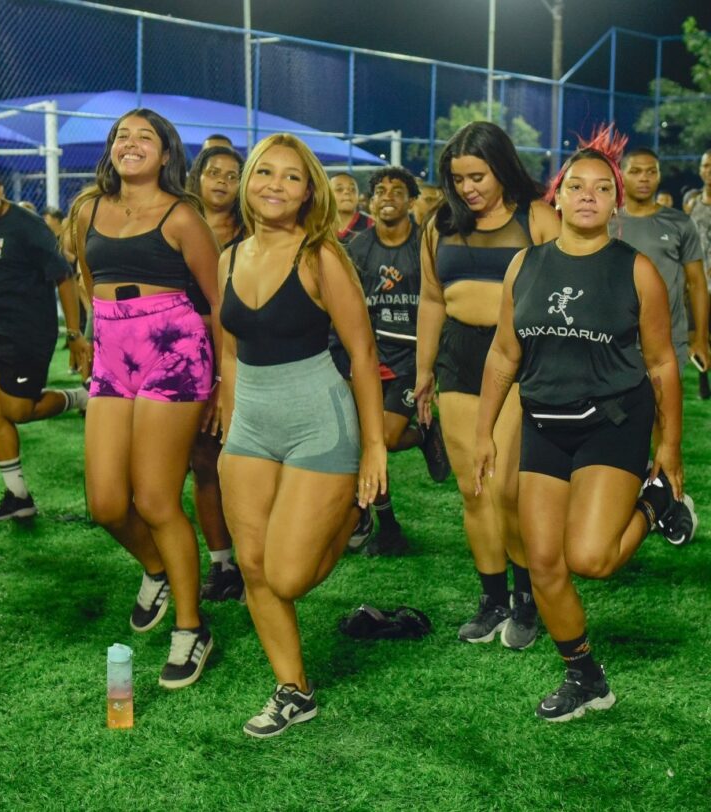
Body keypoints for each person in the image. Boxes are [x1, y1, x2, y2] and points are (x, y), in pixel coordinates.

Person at [473, 134, 682, 721]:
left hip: (613, 421)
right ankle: (585, 677)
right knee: (543, 564)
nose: (588, 196)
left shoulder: (636, 271)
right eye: (576, 186)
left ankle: (655, 502)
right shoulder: (526, 264)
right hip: (545, 421)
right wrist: (485, 430)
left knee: (591, 559)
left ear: (616, 203)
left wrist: (669, 449)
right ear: (556, 197)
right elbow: (502, 354)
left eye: (602, 188)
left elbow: (663, 363)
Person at [218, 133, 387, 737]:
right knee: (254, 569)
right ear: (248, 180)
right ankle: (294, 690)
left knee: (288, 575)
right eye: (266, 172)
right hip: (251, 426)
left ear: (309, 190)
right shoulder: (229, 258)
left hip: (319, 417)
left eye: (292, 177)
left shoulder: (322, 256)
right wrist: (234, 424)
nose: (275, 186)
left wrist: (373, 448)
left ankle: (353, 514)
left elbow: (363, 354)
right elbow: (231, 356)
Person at [72, 109, 221, 689]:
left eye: (145, 138)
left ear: (166, 154)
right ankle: (156, 568)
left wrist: (222, 384)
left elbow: (216, 304)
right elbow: (88, 281)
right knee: (107, 503)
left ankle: (191, 627)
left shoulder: (183, 216)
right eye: (122, 137)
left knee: (157, 499)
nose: (131, 145)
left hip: (175, 347)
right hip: (114, 350)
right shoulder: (88, 210)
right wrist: (95, 330)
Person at [415, 121, 560, 649]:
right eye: (458, 179)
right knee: (472, 487)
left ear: (502, 167)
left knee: (506, 487)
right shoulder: (439, 224)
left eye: (477, 175)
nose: (468, 187)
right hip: (458, 355)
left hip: (518, 359)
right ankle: (492, 599)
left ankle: (526, 598)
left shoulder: (537, 218)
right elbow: (432, 300)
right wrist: (423, 369)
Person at [0, 170, 89, 521]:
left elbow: (64, 278)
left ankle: (81, 397)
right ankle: (18, 496)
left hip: (26, 332)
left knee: (17, 411)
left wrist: (74, 334)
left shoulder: (28, 227)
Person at [333, 166, 451, 557]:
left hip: (408, 358)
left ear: (411, 201)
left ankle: (423, 435)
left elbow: (440, 304)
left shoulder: (426, 245)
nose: (388, 197)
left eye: (398, 191)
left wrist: (430, 363)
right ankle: (383, 524)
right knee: (358, 442)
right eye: (380, 190)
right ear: (370, 200)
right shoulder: (356, 249)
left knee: (383, 437)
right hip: (367, 356)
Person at [613, 147, 705, 545]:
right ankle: (638, 497)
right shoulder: (607, 221)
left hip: (668, 344)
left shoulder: (679, 223)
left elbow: (696, 283)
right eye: (636, 171)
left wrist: (701, 336)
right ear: (623, 175)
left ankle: (678, 504)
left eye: (652, 171)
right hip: (615, 344)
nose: (645, 178)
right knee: (621, 424)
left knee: (664, 423)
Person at [185, 145, 246, 601]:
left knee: (248, 465)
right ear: (197, 178)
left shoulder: (254, 231)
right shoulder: (176, 226)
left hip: (251, 359)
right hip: (191, 363)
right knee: (205, 462)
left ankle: (256, 561)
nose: (222, 181)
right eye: (214, 173)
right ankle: (222, 564)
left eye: (232, 174)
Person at [687, 149, 711, 398]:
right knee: (697, 333)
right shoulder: (693, 204)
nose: (709, 171)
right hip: (698, 281)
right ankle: (704, 379)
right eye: (706, 166)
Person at [330, 172, 372, 244]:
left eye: (352, 189)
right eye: (339, 189)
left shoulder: (371, 225)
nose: (347, 192)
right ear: (328, 195)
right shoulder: (318, 227)